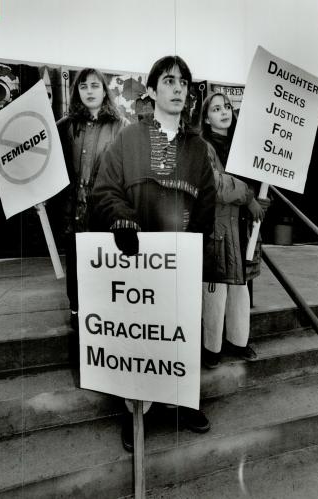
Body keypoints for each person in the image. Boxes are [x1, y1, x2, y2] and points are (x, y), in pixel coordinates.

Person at [92, 55, 219, 452]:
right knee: (140, 334)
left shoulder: (198, 149)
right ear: (150, 90)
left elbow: (207, 206)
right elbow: (105, 190)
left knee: (180, 331)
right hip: (137, 263)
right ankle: (137, 412)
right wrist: (122, 219)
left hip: (179, 265)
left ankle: (181, 402)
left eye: (184, 82)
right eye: (168, 81)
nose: (178, 88)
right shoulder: (128, 139)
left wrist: (195, 250)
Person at [200, 92, 270, 368]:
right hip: (217, 228)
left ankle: (238, 341)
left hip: (243, 227)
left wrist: (262, 202)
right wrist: (250, 198)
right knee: (215, 291)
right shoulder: (202, 147)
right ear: (206, 117)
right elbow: (214, 184)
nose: (224, 111)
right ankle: (211, 348)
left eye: (227, 106)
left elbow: (255, 184)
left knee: (241, 289)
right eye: (216, 109)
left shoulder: (245, 147)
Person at [58, 68, 128, 334]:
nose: (89, 91)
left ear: (104, 90)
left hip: (105, 213)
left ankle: (105, 319)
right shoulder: (64, 126)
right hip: (72, 212)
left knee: (104, 268)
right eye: (83, 86)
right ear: (77, 92)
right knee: (76, 268)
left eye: (95, 86)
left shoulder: (121, 126)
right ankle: (77, 315)